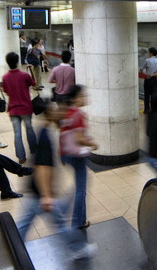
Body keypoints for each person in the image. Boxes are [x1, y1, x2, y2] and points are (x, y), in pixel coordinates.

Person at [17, 102, 97, 259]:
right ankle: (78, 248)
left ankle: (14, 246)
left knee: (25, 223)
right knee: (60, 224)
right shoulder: (46, 136)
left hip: (36, 190)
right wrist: (46, 195)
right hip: (40, 192)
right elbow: (42, 167)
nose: (60, 112)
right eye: (55, 110)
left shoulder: (45, 131)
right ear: (48, 114)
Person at [60, 85, 98, 229]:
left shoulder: (67, 113)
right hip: (76, 155)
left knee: (78, 186)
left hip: (66, 154)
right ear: (75, 99)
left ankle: (77, 218)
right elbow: (79, 138)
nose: (85, 98)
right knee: (81, 189)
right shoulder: (78, 114)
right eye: (82, 96)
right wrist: (93, 144)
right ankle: (76, 221)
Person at [1, 52, 37, 165]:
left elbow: (6, 91)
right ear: (17, 62)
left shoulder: (5, 77)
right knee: (29, 129)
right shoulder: (24, 75)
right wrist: (31, 70)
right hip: (25, 108)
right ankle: (34, 151)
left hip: (13, 109)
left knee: (17, 133)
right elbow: (34, 84)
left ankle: (21, 157)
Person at [141, 47, 157, 114]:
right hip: (154, 79)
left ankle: (146, 110)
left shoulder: (147, 60)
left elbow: (142, 69)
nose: (148, 54)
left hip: (147, 79)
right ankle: (153, 110)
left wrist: (144, 72)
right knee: (153, 95)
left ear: (151, 53)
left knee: (146, 95)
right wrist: (153, 75)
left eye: (149, 52)